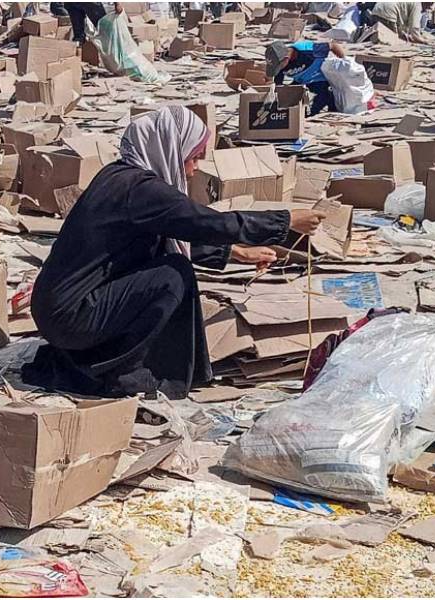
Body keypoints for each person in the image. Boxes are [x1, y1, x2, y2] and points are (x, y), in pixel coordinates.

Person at [22, 106, 326, 400]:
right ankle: (120, 372)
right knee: (172, 274)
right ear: (169, 148)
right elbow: (203, 222)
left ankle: (102, 358)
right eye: (192, 159)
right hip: (70, 318)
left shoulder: (119, 177)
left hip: (57, 313)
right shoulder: (140, 190)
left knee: (166, 264)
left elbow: (172, 232)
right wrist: (287, 221)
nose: (193, 171)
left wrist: (236, 254)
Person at [265, 40, 346, 115]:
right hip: (302, 80)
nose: (278, 69)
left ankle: (322, 113)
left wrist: (345, 62)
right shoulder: (280, 62)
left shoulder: (308, 50)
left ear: (286, 59)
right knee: (286, 94)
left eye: (278, 67)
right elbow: (275, 83)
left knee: (324, 98)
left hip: (320, 78)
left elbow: (333, 45)